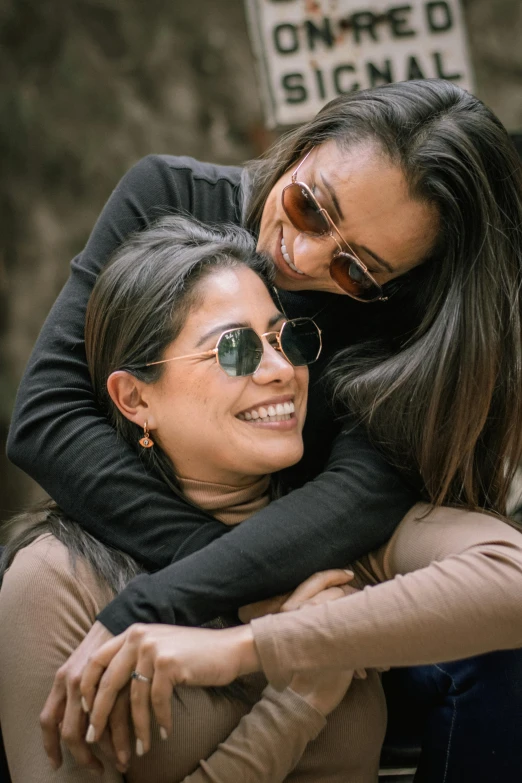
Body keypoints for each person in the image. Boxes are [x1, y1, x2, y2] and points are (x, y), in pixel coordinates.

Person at [6, 79, 522, 781]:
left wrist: (274, 637)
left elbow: (361, 496)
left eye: (358, 269)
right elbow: (48, 417)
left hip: (320, 569)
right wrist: (238, 599)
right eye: (311, 206)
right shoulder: (170, 194)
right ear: (304, 147)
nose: (304, 259)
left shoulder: (397, 323)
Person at [0, 217, 361, 782]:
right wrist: (300, 700)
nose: (282, 370)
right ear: (135, 398)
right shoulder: (59, 581)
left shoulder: (340, 537)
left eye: (285, 337)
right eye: (235, 348)